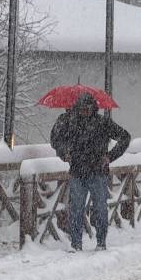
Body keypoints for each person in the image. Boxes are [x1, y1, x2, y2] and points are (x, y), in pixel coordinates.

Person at [50, 92, 131, 252]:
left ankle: (100, 242)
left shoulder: (101, 123)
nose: (85, 111)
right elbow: (55, 140)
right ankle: (76, 243)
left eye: (88, 108)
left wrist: (110, 156)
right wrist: (63, 153)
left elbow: (125, 137)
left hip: (97, 172)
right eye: (82, 108)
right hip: (79, 172)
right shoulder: (69, 122)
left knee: (99, 208)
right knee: (77, 209)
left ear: (93, 108)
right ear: (78, 108)